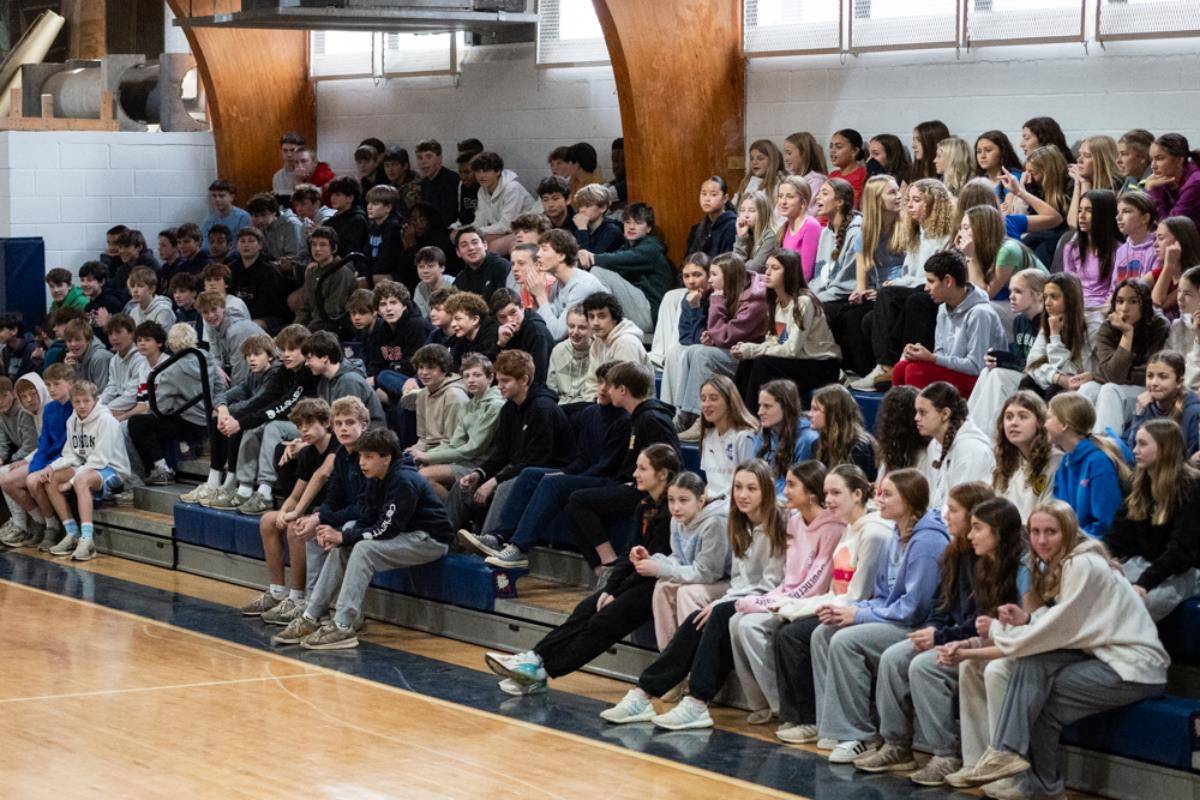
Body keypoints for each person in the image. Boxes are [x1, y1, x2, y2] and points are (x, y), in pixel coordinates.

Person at [949, 501, 1168, 799]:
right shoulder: (1068, 563)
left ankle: (1010, 755)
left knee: (1034, 678)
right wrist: (1027, 620)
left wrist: (999, 632)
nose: (1041, 540)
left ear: (1068, 532)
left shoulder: (1082, 564)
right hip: (1105, 657)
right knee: (1037, 691)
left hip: (1133, 667)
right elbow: (1065, 621)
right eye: (1035, 532)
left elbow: (1057, 629)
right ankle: (1038, 784)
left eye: (1050, 532)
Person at [598, 459, 787, 730]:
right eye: (738, 487)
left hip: (772, 598)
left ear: (766, 491)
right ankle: (644, 693)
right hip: (744, 596)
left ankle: (694, 702)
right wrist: (727, 600)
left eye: (751, 488)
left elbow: (771, 583)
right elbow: (739, 580)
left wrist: (725, 601)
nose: (743, 495)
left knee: (715, 615)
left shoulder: (778, 524)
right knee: (701, 617)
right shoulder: (739, 523)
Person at [484, 444, 680, 695]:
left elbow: (653, 564)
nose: (635, 474)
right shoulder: (643, 505)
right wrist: (610, 589)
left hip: (659, 581)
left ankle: (541, 673)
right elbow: (628, 554)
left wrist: (616, 593)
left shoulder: (672, 512)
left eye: (642, 469)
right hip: (637, 577)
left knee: (603, 622)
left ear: (662, 474)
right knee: (586, 608)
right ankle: (534, 657)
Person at [850, 482, 995, 778]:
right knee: (894, 657)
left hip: (975, 640)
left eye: (953, 510)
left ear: (974, 516)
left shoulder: (989, 558)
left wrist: (940, 637)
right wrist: (932, 631)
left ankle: (945, 754)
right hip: (948, 633)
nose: (945, 515)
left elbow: (982, 620)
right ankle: (896, 745)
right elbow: (941, 605)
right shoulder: (954, 552)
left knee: (924, 667)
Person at [811, 468, 949, 763]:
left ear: (909, 500)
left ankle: (858, 736)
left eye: (887, 494)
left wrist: (859, 616)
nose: (879, 500)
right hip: (896, 618)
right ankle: (839, 727)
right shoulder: (895, 534)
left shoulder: (928, 542)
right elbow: (883, 595)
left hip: (919, 626)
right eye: (879, 493)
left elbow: (914, 609)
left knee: (846, 641)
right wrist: (855, 610)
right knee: (825, 631)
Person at [274, 428, 452, 650]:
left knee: (362, 549)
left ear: (386, 458)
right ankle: (311, 616)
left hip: (430, 540)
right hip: (405, 534)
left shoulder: (403, 480)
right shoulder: (376, 477)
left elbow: (387, 528)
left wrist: (343, 536)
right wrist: (343, 538)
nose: (362, 462)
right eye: (360, 456)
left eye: (368, 457)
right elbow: (367, 516)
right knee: (345, 545)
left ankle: (342, 625)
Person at [460, 360, 630, 569]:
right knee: (530, 474)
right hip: (585, 473)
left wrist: (566, 478)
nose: (602, 388)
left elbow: (608, 466)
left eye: (609, 384)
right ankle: (499, 536)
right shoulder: (590, 413)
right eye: (600, 382)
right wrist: (565, 473)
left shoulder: (624, 420)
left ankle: (519, 548)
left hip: (608, 480)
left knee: (552, 483)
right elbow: (581, 458)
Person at [772, 464, 892, 744]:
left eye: (836, 493)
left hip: (860, 610)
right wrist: (792, 606)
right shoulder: (849, 527)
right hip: (839, 603)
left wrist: (800, 609)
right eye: (826, 493)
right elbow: (835, 589)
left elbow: (858, 595)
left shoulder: (873, 533)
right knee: (783, 629)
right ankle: (803, 717)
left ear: (858, 494)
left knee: (799, 635)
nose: (828, 500)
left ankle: (816, 719)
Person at [923, 497, 1031, 787]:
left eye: (977, 528)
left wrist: (971, 647)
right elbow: (988, 631)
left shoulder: (1024, 568)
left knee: (992, 669)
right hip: (1006, 643)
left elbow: (1026, 634)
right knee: (969, 665)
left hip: (1029, 648)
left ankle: (1004, 767)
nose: (970, 535)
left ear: (999, 531)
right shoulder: (985, 566)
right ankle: (975, 762)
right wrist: (966, 646)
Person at [729, 460, 846, 724]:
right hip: (788, 598)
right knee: (736, 621)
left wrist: (768, 603)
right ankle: (759, 702)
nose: (785, 491)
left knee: (749, 625)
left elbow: (814, 583)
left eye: (792, 485)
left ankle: (781, 705)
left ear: (811, 493)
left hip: (809, 603)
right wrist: (766, 599)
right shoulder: (793, 521)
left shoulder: (832, 528)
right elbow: (788, 578)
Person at [566, 362, 681, 574]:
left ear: (622, 390)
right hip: (633, 484)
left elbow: (672, 462)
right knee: (572, 499)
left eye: (610, 386)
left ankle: (608, 564)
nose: (607, 391)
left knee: (578, 500)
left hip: (649, 492)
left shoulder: (651, 419)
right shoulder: (639, 417)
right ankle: (603, 567)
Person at [445, 350, 571, 535]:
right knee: (463, 486)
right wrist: (480, 474)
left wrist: (495, 481)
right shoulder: (509, 408)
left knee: (504, 488)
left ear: (524, 380)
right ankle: (443, 539)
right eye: (498, 380)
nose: (499, 386)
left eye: (505, 381)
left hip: (547, 471)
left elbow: (536, 460)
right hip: (519, 468)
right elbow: (501, 453)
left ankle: (491, 539)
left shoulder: (542, 409)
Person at [854, 178, 955, 390]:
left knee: (890, 296)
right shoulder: (917, 232)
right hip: (917, 285)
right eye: (909, 200)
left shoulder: (945, 235)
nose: (909, 205)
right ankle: (884, 369)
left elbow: (933, 276)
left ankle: (886, 366)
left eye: (916, 200)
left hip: (935, 289)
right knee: (869, 319)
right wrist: (896, 282)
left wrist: (896, 285)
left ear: (933, 203)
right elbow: (910, 272)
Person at [1108, 419, 1200, 623]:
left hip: (1186, 570)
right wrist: (1103, 558)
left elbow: (1181, 550)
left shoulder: (1192, 487)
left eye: (1142, 444)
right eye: (1135, 443)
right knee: (1100, 588)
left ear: (1164, 449)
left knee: (1134, 606)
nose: (1134, 450)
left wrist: (1144, 583)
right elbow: (1117, 535)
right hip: (1146, 563)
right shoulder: (1138, 482)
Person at [733, 249, 841, 411]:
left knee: (762, 363)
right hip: (800, 361)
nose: (767, 272)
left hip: (821, 366)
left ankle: (754, 419)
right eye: (767, 267)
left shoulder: (803, 302)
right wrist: (749, 349)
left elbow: (791, 349)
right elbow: (780, 341)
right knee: (747, 361)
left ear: (789, 273)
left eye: (775, 268)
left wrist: (753, 350)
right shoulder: (778, 303)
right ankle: (737, 415)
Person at [674, 254, 767, 439]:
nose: (709, 280)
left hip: (749, 357)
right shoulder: (728, 292)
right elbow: (716, 334)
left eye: (714, 275)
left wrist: (716, 304)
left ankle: (703, 419)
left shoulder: (755, 302)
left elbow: (726, 336)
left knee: (703, 355)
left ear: (729, 277)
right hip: (732, 350)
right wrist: (711, 338)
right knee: (691, 351)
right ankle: (685, 415)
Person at [892, 249, 1007, 395]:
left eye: (931, 281)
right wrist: (921, 355)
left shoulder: (980, 313)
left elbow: (976, 367)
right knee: (900, 369)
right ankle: (904, 410)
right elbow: (940, 352)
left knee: (916, 371)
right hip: (956, 373)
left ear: (948, 281)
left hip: (981, 381)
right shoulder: (943, 309)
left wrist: (933, 359)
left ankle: (925, 409)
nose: (926, 288)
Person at [42, 379, 131, 561]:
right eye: (77, 401)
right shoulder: (72, 421)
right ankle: (72, 533)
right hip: (87, 467)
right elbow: (71, 454)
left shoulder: (106, 420)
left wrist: (71, 481)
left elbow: (99, 460)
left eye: (86, 401)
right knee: (51, 479)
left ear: (95, 400)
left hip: (113, 471)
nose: (82, 406)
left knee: (81, 480)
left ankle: (87, 540)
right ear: (72, 402)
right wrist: (51, 467)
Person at [127, 324, 224, 487]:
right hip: (209, 419)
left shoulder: (170, 369)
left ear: (170, 343)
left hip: (190, 423)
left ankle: (161, 469)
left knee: (137, 423)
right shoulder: (206, 356)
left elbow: (160, 408)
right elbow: (220, 386)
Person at [828, 175, 905, 377]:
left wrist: (881, 292)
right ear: (877, 200)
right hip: (878, 292)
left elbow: (909, 272)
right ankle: (852, 369)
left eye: (898, 191)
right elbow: (861, 283)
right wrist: (860, 293)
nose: (899, 196)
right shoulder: (865, 234)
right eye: (892, 192)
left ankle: (879, 369)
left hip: (899, 291)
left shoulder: (906, 228)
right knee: (844, 313)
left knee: (865, 319)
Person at [645, 472, 731, 649]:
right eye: (671, 500)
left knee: (687, 593)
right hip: (702, 577)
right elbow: (678, 558)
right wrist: (653, 560)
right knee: (662, 587)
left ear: (700, 501)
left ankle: (691, 654)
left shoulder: (715, 523)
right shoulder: (676, 520)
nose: (676, 507)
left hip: (726, 582)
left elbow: (708, 573)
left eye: (683, 500)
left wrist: (661, 569)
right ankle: (668, 654)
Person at [1081, 278, 1171, 435]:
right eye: (1120, 301)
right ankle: (1073, 443)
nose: (1124, 308)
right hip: (1117, 384)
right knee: (1088, 388)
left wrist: (1127, 333)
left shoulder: (1158, 325)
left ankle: (1107, 446)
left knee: (1110, 390)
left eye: (1133, 301)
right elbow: (1113, 375)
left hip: (1148, 390)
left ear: (1144, 304)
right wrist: (1127, 334)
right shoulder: (1107, 328)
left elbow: (1147, 374)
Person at [966, 269, 1047, 431]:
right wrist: (997, 359)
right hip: (1024, 375)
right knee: (987, 371)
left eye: (1018, 291)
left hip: (1039, 381)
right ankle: (968, 427)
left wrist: (1004, 361)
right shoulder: (1019, 322)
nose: (1011, 297)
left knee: (998, 375)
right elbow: (1019, 358)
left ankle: (986, 434)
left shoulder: (1047, 323)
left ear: (1038, 295)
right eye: (1010, 291)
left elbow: (1037, 365)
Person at [1047, 392, 1128, 538]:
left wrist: (1075, 543)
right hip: (1071, 541)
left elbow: (1106, 524)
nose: (1044, 424)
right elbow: (1058, 514)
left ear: (1064, 425)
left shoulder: (1099, 463)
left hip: (1095, 545)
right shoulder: (1065, 463)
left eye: (1048, 418)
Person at [583, 203, 674, 326]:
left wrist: (592, 258)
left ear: (648, 228)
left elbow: (622, 259)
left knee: (598, 271)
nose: (631, 227)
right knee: (592, 274)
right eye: (627, 222)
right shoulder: (626, 247)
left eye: (638, 223)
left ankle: (599, 320)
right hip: (637, 309)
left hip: (650, 313)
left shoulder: (652, 248)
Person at [915, 381, 995, 511]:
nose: (916, 418)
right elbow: (931, 500)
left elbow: (965, 508)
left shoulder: (972, 450)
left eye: (922, 412)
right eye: (917, 412)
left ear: (945, 414)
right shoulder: (934, 445)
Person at [991, 391, 1061, 521]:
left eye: (1023, 417)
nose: (1013, 423)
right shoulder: (1005, 462)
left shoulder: (1056, 461)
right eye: (1009, 417)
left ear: (1040, 422)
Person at [656, 254, 710, 408]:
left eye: (697, 275)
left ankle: (686, 411)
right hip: (694, 346)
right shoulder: (688, 299)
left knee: (690, 353)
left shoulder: (715, 298)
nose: (691, 281)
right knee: (674, 353)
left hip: (711, 350)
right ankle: (669, 409)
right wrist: (693, 306)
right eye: (686, 276)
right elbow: (685, 337)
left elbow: (700, 339)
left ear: (708, 275)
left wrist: (697, 308)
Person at [365, 280, 432, 405]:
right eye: (383, 304)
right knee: (363, 384)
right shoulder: (380, 330)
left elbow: (413, 366)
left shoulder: (417, 326)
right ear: (378, 311)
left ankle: (404, 399)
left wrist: (377, 378)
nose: (388, 308)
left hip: (418, 380)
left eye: (393, 302)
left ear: (404, 305)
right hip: (392, 382)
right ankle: (399, 400)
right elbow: (376, 363)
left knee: (383, 376)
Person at [303, 331, 386, 429]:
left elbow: (347, 424)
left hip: (369, 435)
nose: (306, 363)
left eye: (309, 358)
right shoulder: (324, 381)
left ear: (325, 357)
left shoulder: (349, 381)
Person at [1125, 350, 1200, 457]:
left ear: (1179, 382)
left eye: (1163, 377)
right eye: (1150, 376)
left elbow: (1191, 456)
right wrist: (1139, 415)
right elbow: (1133, 453)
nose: (1154, 383)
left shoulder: (1193, 412)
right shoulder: (1146, 405)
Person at [752, 379, 819, 497]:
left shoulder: (807, 439)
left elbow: (801, 488)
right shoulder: (762, 434)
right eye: (760, 405)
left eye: (767, 406)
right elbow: (753, 475)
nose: (759, 412)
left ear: (786, 407)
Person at [696, 375, 758, 499]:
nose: (706, 404)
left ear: (730, 402)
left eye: (713, 398)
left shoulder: (744, 437)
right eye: (703, 399)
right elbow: (712, 484)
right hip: (712, 504)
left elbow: (749, 483)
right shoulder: (708, 437)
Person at [469, 151, 537, 254]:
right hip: (508, 230)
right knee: (467, 239)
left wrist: (478, 231)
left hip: (528, 230)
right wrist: (467, 231)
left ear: (498, 172)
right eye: (478, 171)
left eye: (486, 171)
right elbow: (480, 220)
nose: (481, 176)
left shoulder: (512, 188)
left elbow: (507, 225)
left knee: (487, 244)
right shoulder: (482, 191)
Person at [294, 227, 356, 334]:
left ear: (334, 248)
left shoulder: (341, 272)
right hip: (314, 324)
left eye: (323, 245)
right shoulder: (311, 271)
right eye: (314, 244)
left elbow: (333, 310)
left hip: (333, 326)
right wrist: (297, 327)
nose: (317, 249)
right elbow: (305, 307)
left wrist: (307, 331)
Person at [810, 384, 878, 480]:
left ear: (833, 413)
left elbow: (857, 486)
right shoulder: (817, 444)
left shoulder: (858, 448)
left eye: (815, 409)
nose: (810, 414)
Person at [491, 288, 554, 385]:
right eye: (503, 317)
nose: (509, 320)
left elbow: (539, 377)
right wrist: (500, 345)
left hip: (536, 387)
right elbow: (491, 374)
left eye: (513, 312)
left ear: (522, 307)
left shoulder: (537, 331)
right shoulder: (501, 330)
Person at [97, 315, 148, 422]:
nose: (114, 338)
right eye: (110, 334)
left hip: (138, 409)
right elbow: (112, 388)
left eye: (118, 332)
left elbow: (132, 396)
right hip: (118, 406)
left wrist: (104, 410)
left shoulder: (141, 358)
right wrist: (96, 404)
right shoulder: (114, 360)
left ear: (132, 334)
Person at [546, 306, 596, 411]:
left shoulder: (599, 350)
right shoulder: (558, 350)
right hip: (562, 408)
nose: (575, 332)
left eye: (582, 327)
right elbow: (551, 388)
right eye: (571, 326)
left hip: (589, 407)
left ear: (592, 329)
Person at [1146, 132, 1200, 229]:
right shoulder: (1163, 178)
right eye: (1151, 160)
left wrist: (1153, 191)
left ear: (1179, 160)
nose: (1153, 166)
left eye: (1159, 158)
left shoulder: (1196, 183)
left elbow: (1170, 228)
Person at [775, 177, 822, 279]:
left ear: (803, 203)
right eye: (780, 196)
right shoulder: (785, 227)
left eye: (790, 197)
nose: (783, 201)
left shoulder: (811, 226)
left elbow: (805, 274)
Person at [451, 226, 512, 300]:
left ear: (485, 245)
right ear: (458, 252)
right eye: (464, 245)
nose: (471, 248)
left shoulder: (501, 266)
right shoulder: (460, 280)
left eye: (475, 242)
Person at [685, 176, 737, 258]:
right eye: (704, 194)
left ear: (725, 198)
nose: (707, 199)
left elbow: (727, 261)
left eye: (713, 194)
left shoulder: (732, 226)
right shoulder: (698, 228)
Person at [247, 192, 302, 263]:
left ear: (274, 212)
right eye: (256, 216)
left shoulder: (291, 224)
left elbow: (295, 258)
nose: (260, 220)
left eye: (264, 215)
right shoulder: (260, 226)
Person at [783, 131, 828, 214]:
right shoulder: (790, 178)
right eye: (785, 153)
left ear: (804, 154)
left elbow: (808, 212)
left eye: (789, 153)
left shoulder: (816, 181)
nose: (785, 158)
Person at [734, 191, 779, 273]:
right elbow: (735, 265)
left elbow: (754, 269)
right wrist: (741, 237)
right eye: (742, 210)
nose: (746, 215)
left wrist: (742, 266)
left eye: (752, 210)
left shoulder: (770, 236)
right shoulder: (746, 232)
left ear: (763, 213)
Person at [734, 139, 784, 206]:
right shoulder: (746, 182)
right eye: (751, 159)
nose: (754, 162)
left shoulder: (779, 184)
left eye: (760, 158)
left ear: (772, 161)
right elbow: (735, 205)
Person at [828, 129, 868, 207]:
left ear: (854, 151)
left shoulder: (863, 175)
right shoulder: (833, 175)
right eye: (831, 146)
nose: (832, 151)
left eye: (839, 147)